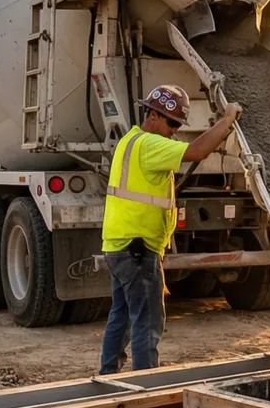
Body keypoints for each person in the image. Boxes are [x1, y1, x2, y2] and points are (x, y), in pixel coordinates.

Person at [99, 85, 240, 374]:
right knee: (148, 321)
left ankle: (108, 374)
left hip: (119, 246)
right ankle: (147, 385)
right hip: (137, 249)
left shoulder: (131, 140)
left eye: (178, 124)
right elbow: (197, 151)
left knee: (122, 315)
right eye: (172, 123)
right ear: (153, 115)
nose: (174, 131)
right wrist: (226, 121)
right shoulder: (150, 145)